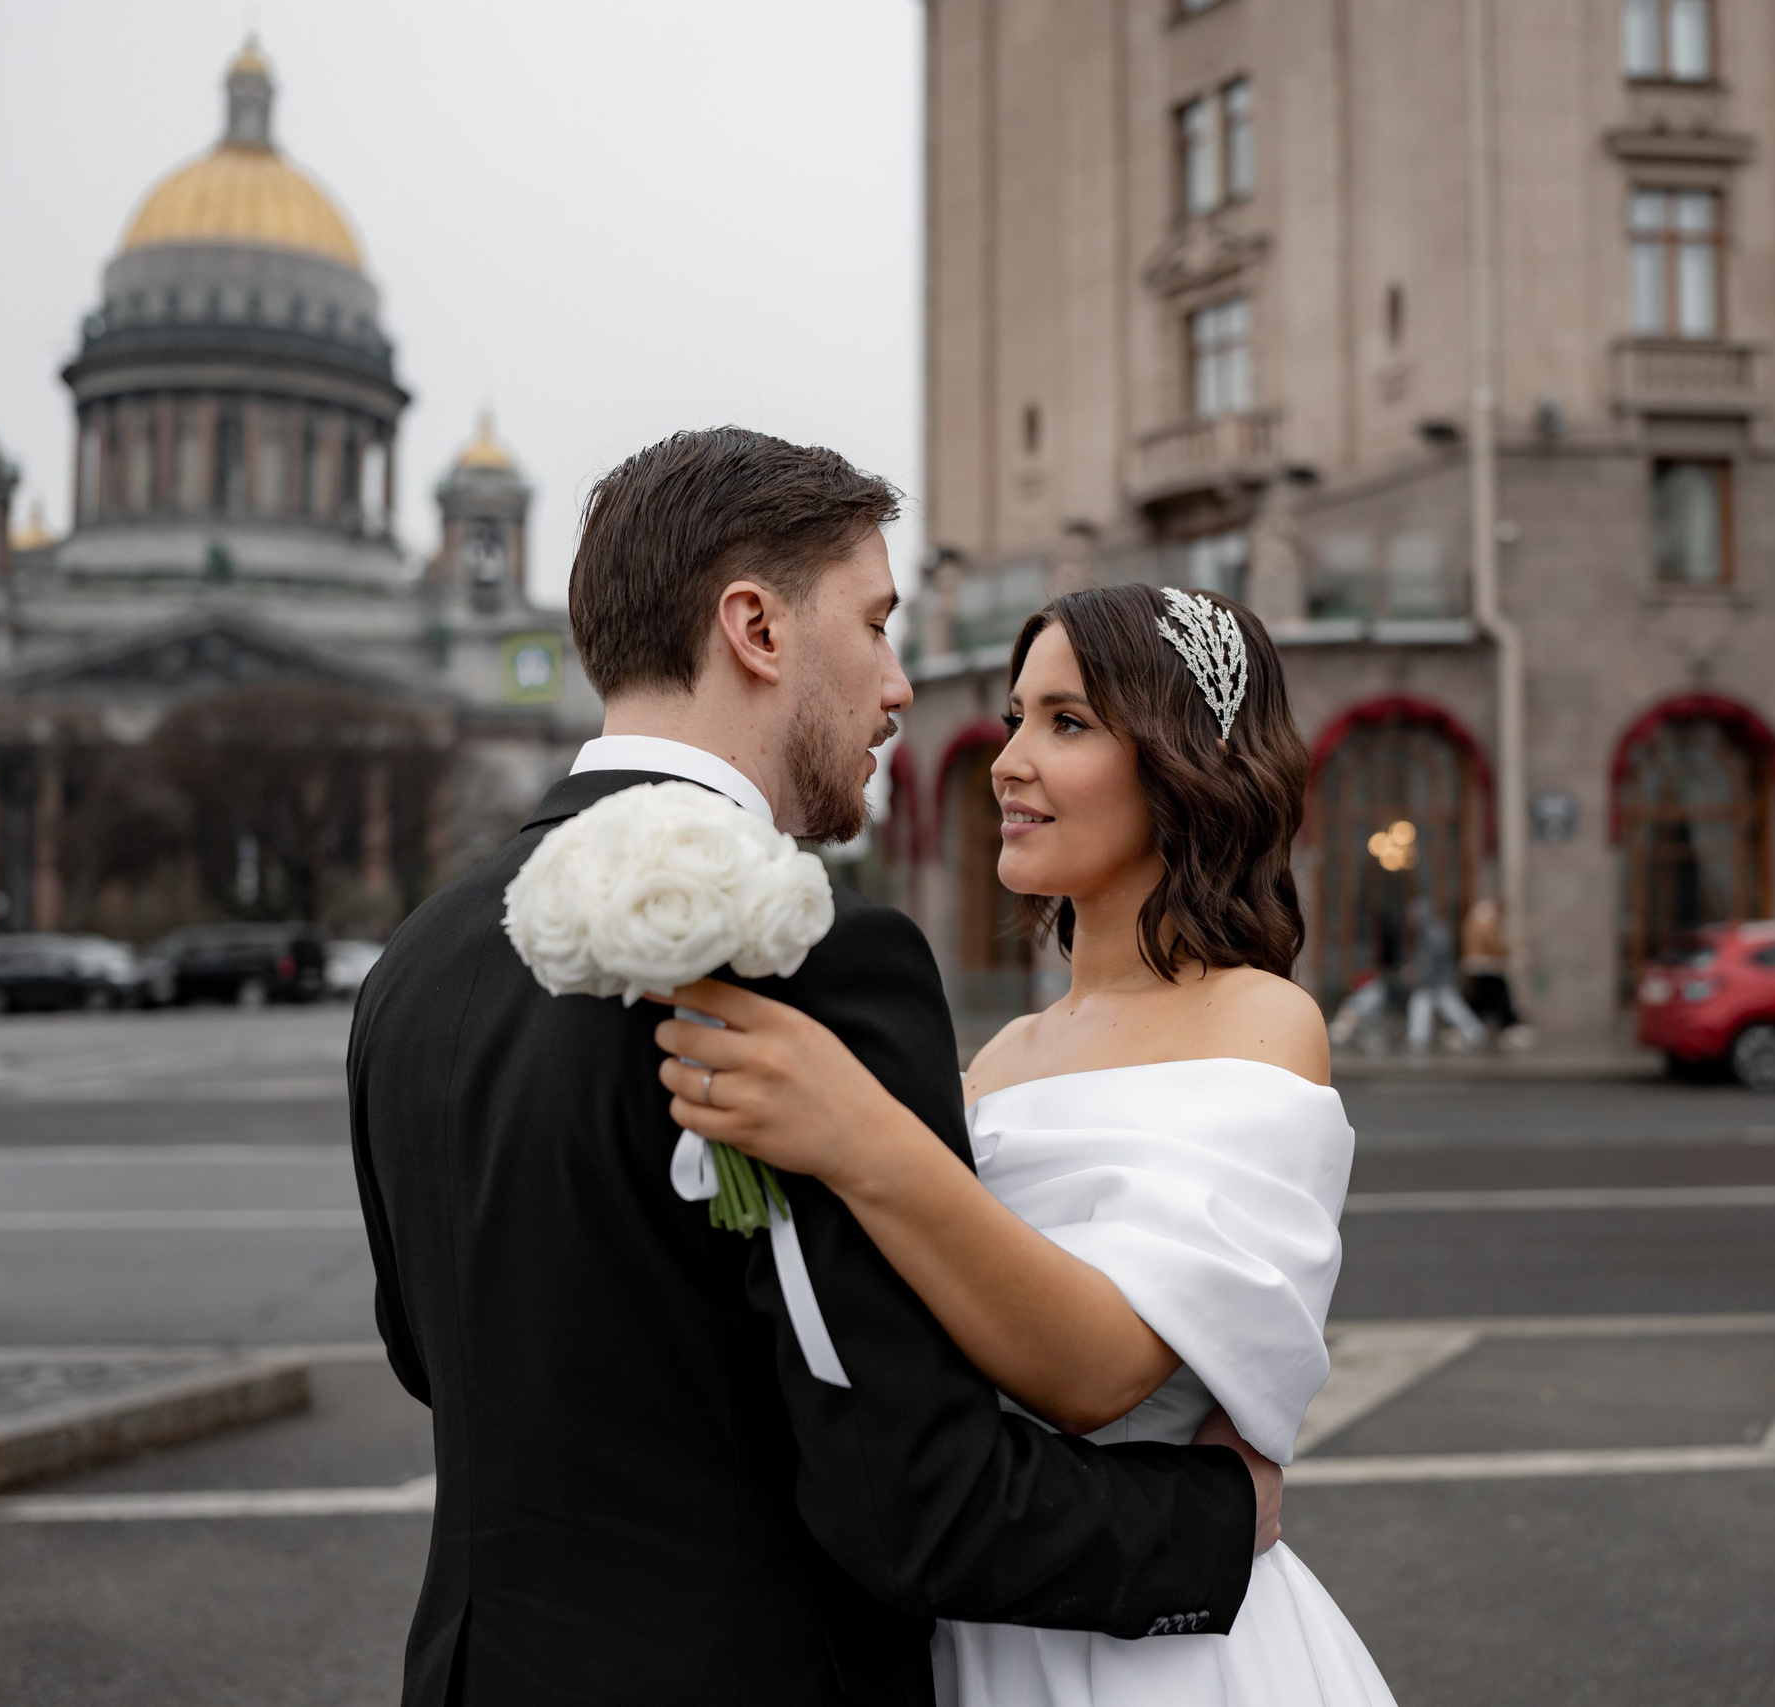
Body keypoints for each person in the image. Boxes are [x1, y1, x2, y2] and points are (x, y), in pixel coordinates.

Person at [348, 430, 1278, 1707]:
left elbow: (426, 1350)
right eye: (877, 624)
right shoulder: (803, 961)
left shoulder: (418, 962)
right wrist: (1217, 1519)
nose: (900, 686)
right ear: (757, 630)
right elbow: (919, 1503)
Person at [661, 583, 1397, 1707]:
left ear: (1181, 761)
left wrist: (855, 1128)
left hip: (1154, 1649)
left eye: (1067, 723)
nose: (1008, 760)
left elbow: (1099, 1372)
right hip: (973, 1620)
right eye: (1015, 718)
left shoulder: (1257, 1016)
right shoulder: (1001, 1053)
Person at [1405, 895, 1485, 1052]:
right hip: (1436, 980)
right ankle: (1418, 1038)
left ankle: (1473, 1031)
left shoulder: (1432, 933)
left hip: (1437, 980)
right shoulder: (1433, 931)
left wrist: (1420, 973)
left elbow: (1431, 960)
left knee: (1446, 1006)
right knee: (1426, 1005)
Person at [1460, 897, 1534, 1048]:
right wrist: (1509, 952)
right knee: (1495, 997)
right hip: (1485, 966)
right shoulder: (1484, 922)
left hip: (1480, 966)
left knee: (1481, 998)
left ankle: (1468, 1026)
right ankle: (1509, 1025)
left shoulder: (1474, 921)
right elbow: (1493, 944)